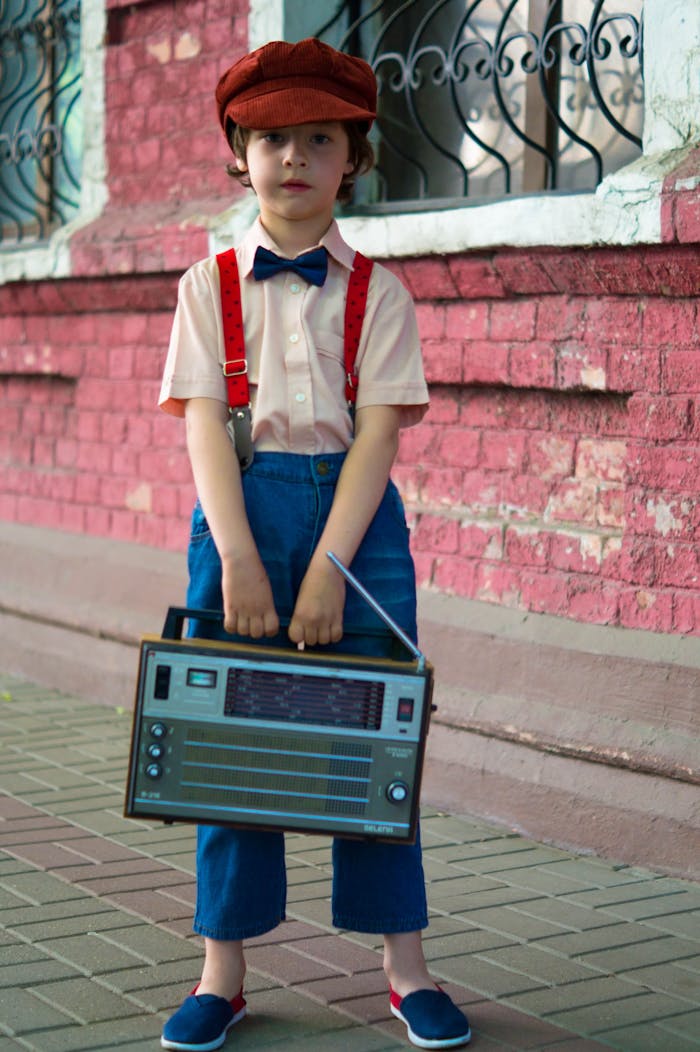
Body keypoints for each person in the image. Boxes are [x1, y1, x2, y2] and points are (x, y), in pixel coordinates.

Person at [157, 36, 471, 1052]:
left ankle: (405, 968)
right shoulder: (206, 285)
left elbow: (377, 432)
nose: (294, 158)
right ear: (239, 152)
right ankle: (222, 971)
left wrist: (332, 565)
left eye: (319, 139)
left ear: (355, 156)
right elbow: (205, 421)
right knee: (228, 744)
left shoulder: (380, 292)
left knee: (372, 741)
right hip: (239, 514)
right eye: (272, 139)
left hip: (355, 523)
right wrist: (240, 558)